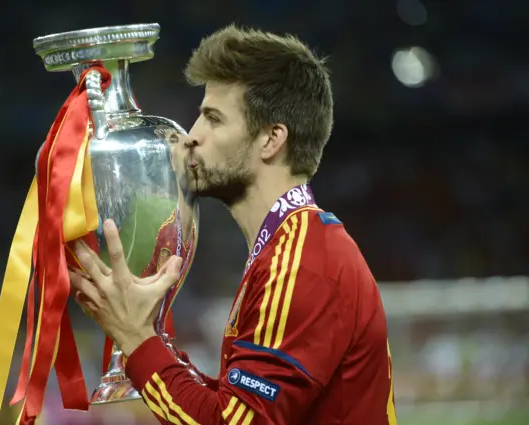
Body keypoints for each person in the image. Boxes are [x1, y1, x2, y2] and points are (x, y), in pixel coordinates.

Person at [69, 24, 397, 425]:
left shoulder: (302, 263)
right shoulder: (292, 247)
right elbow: (236, 407)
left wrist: (138, 341)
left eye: (214, 119)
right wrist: (146, 341)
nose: (191, 136)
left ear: (270, 139)